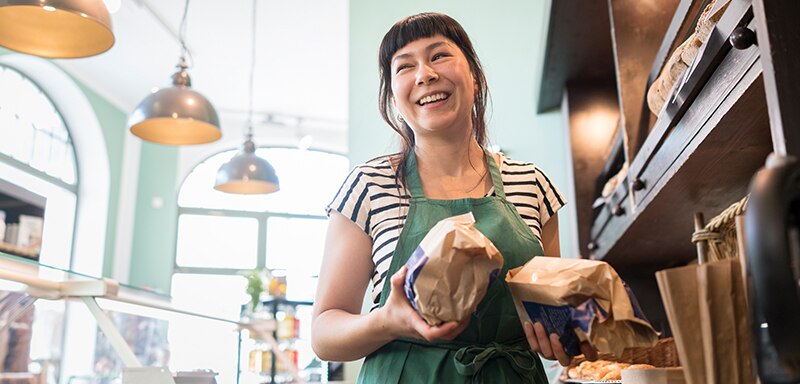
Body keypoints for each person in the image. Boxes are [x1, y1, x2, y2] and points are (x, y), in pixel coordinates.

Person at [312, 12, 596, 383]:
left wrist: (565, 336)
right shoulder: (369, 185)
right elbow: (323, 334)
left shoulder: (531, 183)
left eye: (439, 56)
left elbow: (550, 311)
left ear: (475, 77)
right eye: (404, 66)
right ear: (394, 99)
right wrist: (386, 321)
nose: (424, 74)